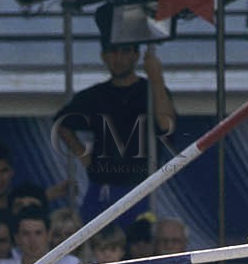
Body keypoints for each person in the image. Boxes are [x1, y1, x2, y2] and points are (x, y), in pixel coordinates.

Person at [54, 37, 176, 227]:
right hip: (102, 188)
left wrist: (156, 78)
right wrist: (84, 155)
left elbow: (166, 125)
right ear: (103, 56)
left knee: (140, 241)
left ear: (136, 55)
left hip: (141, 189)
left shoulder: (151, 91)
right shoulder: (95, 95)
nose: (118, 58)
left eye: (125, 51)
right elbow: (62, 123)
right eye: (112, 52)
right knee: (94, 240)